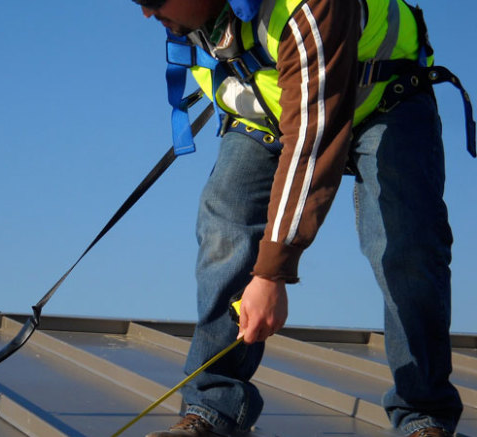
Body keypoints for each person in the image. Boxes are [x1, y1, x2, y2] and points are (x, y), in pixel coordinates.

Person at [130, 0, 472, 436]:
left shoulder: (309, 5)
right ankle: (214, 409)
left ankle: (424, 416)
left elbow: (313, 140)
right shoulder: (191, 13)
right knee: (225, 226)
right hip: (270, 117)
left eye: (152, 0)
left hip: (384, 97)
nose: (146, 12)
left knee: (404, 242)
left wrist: (272, 273)